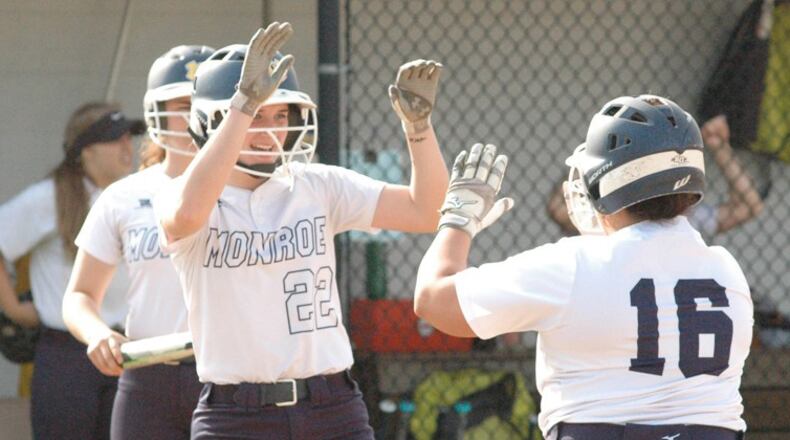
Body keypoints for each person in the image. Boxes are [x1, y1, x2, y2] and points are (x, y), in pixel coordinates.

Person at [155, 22, 448, 439]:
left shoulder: (315, 185)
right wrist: (243, 105)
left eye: (279, 115)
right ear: (212, 122)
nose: (269, 130)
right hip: (236, 415)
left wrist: (419, 130)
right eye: (257, 114)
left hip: (332, 406)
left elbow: (426, 211)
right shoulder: (179, 194)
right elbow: (186, 215)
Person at [415, 95, 753, 439]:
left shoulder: (575, 265)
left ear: (609, 183)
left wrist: (458, 220)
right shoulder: (726, 270)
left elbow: (432, 300)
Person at [62, 45, 215, 440]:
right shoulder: (124, 195)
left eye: (204, 101)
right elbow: (79, 295)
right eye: (182, 103)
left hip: (229, 376)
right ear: (156, 113)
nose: (194, 115)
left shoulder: (250, 189)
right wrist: (97, 334)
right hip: (148, 377)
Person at [0, 101, 141, 439]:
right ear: (86, 151)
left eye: (129, 137)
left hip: (126, 351)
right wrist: (15, 310)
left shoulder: (133, 194)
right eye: (115, 139)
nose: (127, 147)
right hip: (67, 355)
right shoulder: (48, 197)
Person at [547, 114, 764, 238]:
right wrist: (593, 154)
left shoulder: (681, 219)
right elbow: (558, 209)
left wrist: (719, 147)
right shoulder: (611, 214)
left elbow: (748, 207)